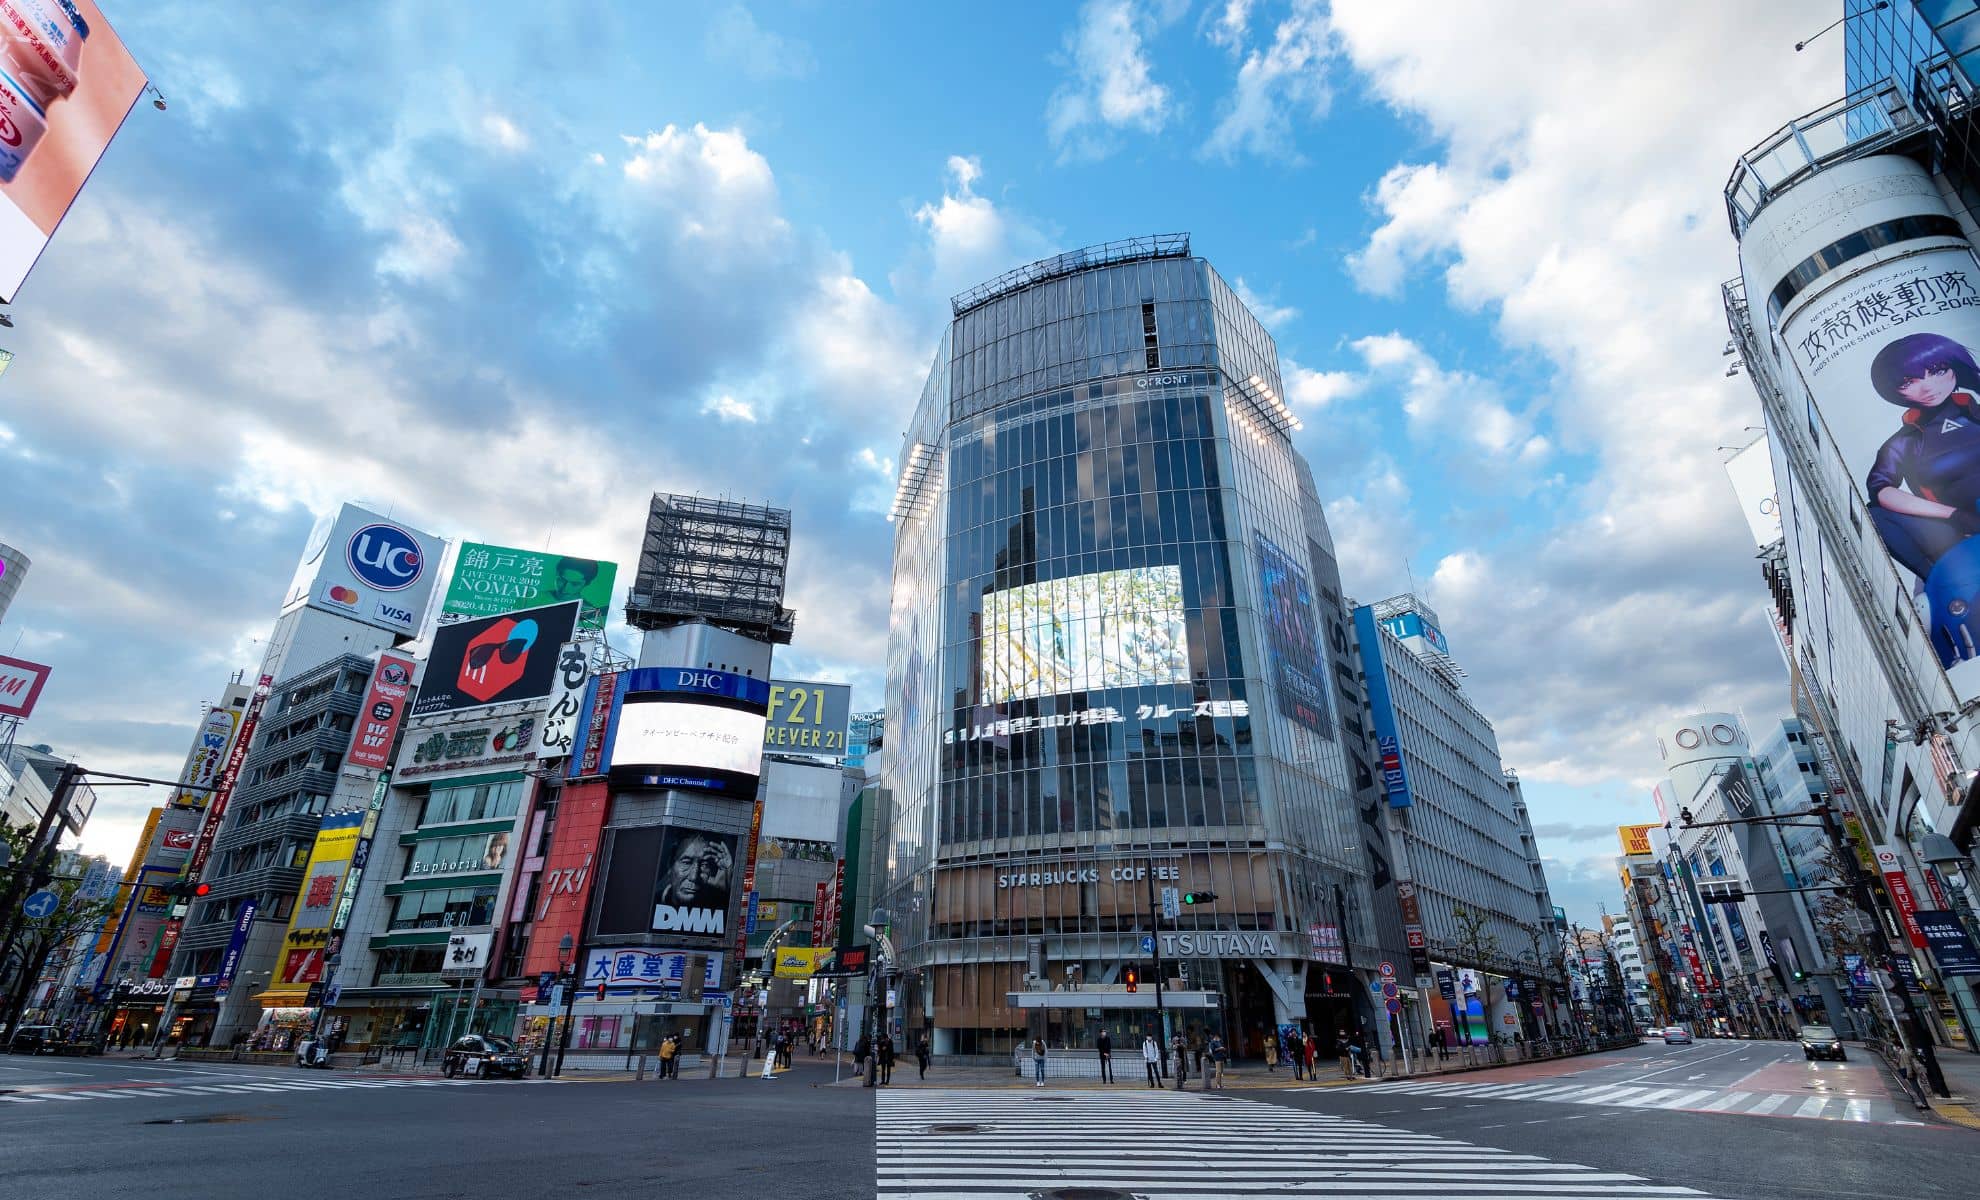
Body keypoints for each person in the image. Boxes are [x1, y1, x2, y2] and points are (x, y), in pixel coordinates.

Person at [1864, 333, 1980, 589]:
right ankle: (1943, 581)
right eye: (1909, 382)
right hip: (1962, 535)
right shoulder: (1904, 442)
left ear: (1955, 367)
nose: (1927, 386)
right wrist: (1954, 516)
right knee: (1875, 514)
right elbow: (1882, 491)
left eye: (1938, 370)